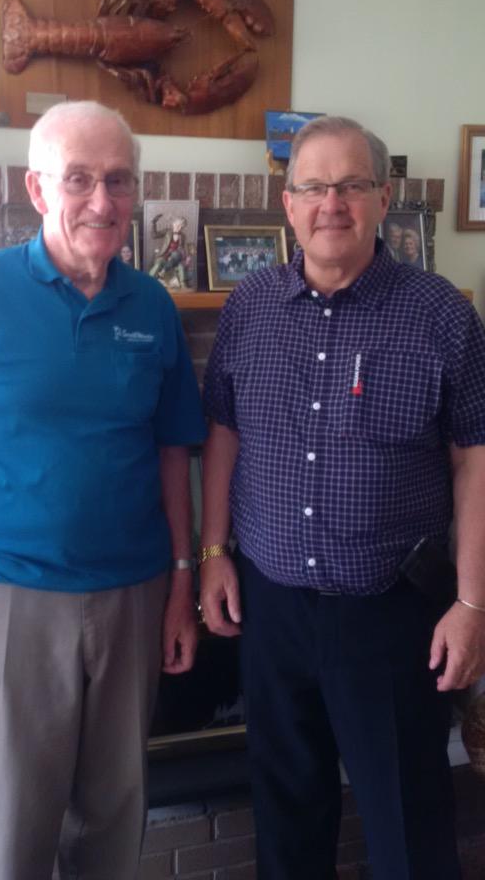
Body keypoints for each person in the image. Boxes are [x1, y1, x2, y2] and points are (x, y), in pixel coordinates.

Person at [0, 100, 206, 880]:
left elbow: (174, 453)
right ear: (38, 189)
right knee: (12, 834)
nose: (102, 201)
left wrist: (182, 584)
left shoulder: (153, 306)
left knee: (113, 826)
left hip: (132, 601)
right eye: (79, 179)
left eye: (119, 180)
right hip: (6, 604)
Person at [200, 115, 485, 880]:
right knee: (286, 821)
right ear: (288, 204)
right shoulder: (248, 307)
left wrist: (472, 602)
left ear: (383, 199)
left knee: (410, 829)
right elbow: (223, 431)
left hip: (393, 616)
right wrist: (213, 552)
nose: (333, 203)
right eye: (315, 187)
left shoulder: (442, 314)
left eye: (352, 185)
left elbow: (475, 460)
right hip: (272, 609)